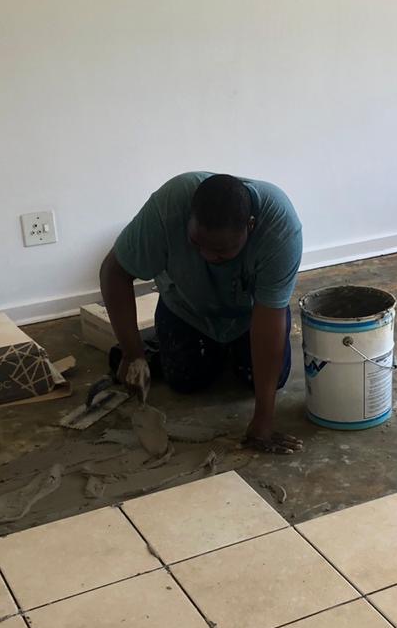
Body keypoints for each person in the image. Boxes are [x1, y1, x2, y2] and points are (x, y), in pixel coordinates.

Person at [99, 171, 304, 454]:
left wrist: (263, 422)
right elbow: (114, 272)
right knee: (186, 380)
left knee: (267, 379)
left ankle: (224, 347)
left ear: (250, 226)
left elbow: (268, 318)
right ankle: (158, 345)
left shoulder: (280, 229)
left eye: (220, 251)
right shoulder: (168, 207)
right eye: (197, 244)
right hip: (187, 306)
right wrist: (132, 353)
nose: (207, 255)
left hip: (249, 315)